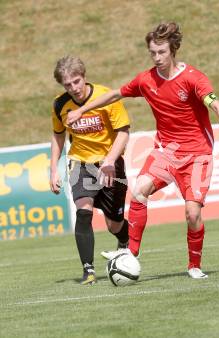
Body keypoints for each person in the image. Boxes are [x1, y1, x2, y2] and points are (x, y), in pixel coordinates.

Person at [66, 22, 219, 279]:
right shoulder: (146, 80)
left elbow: (218, 107)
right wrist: (81, 110)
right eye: (153, 53)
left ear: (173, 50)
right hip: (166, 152)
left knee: (192, 213)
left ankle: (194, 265)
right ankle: (130, 253)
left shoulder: (193, 78)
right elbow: (115, 94)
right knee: (138, 191)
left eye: (162, 52)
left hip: (197, 156)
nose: (157, 58)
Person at [50, 55, 130, 285]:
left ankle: (124, 242)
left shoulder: (106, 97)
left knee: (114, 224)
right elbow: (57, 136)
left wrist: (110, 160)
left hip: (110, 164)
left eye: (76, 81)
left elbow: (124, 132)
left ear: (84, 77)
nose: (73, 88)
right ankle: (89, 271)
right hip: (80, 164)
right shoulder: (59, 105)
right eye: (68, 84)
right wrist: (53, 169)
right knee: (83, 212)